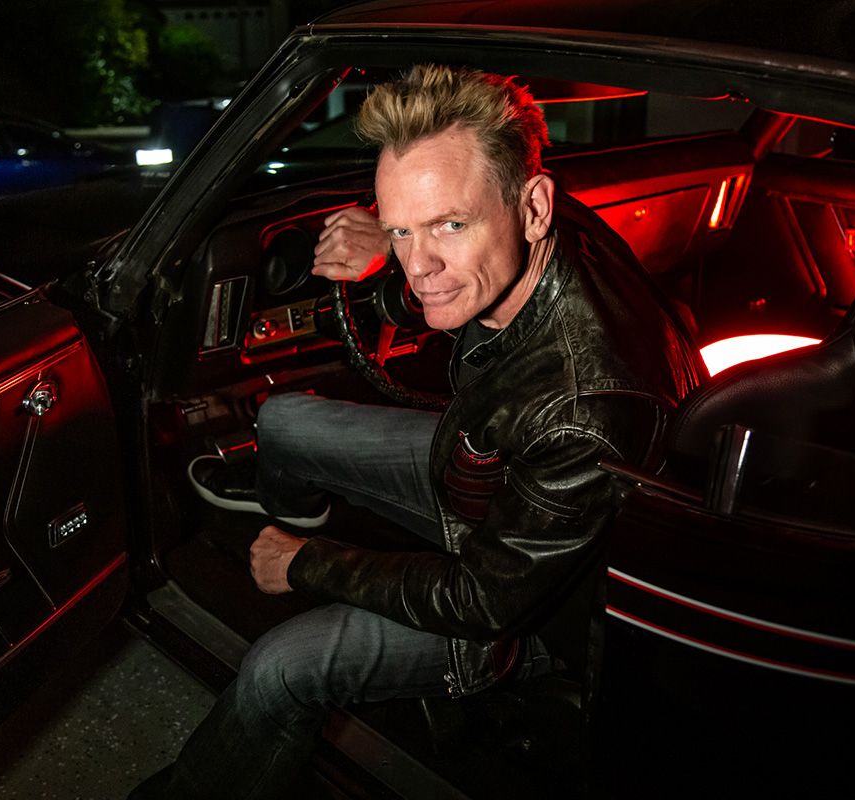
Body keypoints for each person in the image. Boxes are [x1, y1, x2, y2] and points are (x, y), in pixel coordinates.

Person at [131, 64, 702, 799]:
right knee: (282, 418)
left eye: (449, 225)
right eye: (401, 228)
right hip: (495, 474)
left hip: (539, 609)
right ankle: (293, 505)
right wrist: (392, 245)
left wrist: (308, 563)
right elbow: (439, 274)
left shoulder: (579, 407)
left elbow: (486, 602)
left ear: (532, 207)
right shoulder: (540, 224)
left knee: (280, 668)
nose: (418, 264)